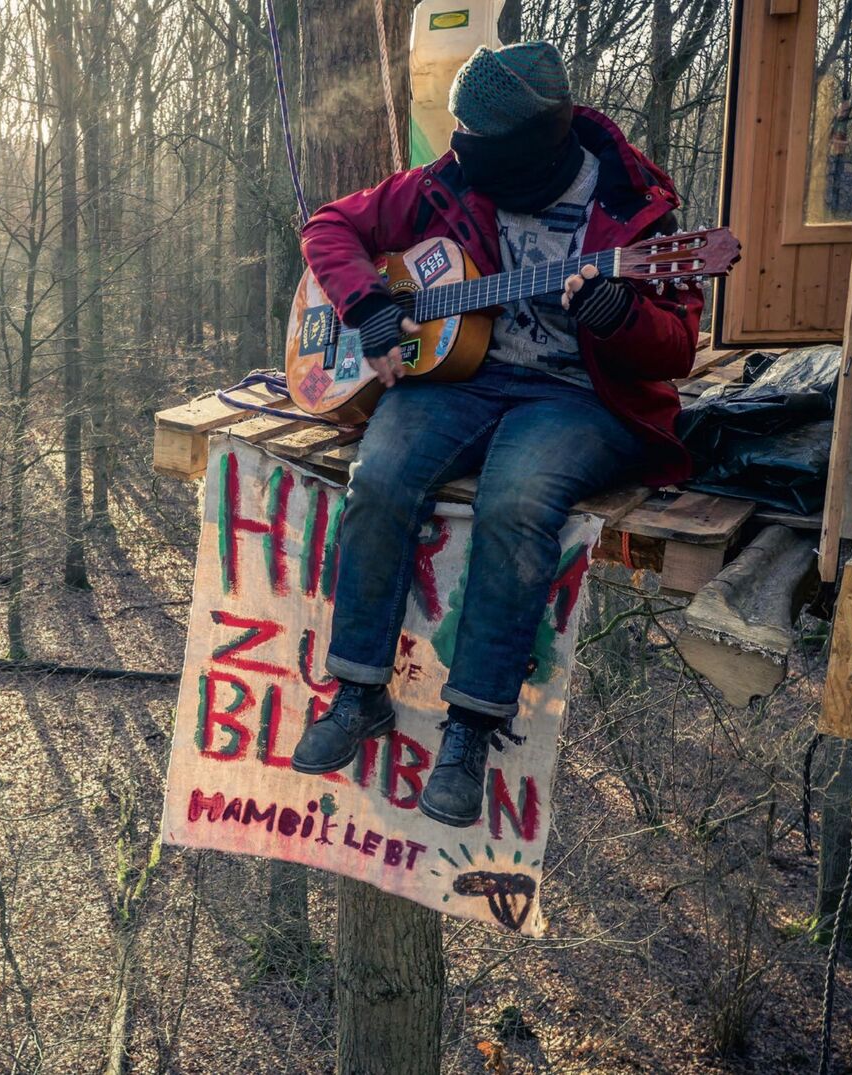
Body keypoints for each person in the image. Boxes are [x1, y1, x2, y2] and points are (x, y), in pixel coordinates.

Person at [289, 42, 701, 827]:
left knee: (517, 500)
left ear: (536, 144)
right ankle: (357, 689)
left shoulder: (632, 207)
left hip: (578, 395)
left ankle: (470, 730)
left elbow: (676, 344)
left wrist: (619, 319)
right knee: (379, 475)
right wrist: (369, 306)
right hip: (461, 377)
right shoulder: (453, 180)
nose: (460, 157)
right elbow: (330, 227)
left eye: (480, 146)